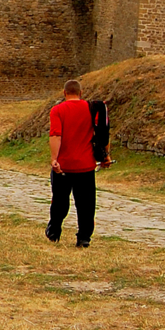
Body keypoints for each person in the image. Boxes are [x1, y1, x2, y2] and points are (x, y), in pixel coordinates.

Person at [47, 78, 109, 247]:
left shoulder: (57, 110)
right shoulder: (92, 108)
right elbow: (102, 133)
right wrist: (105, 157)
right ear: (81, 93)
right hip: (86, 165)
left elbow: (55, 135)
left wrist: (54, 159)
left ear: (64, 93)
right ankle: (84, 238)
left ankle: (54, 231)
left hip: (64, 165)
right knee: (86, 205)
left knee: (60, 200)